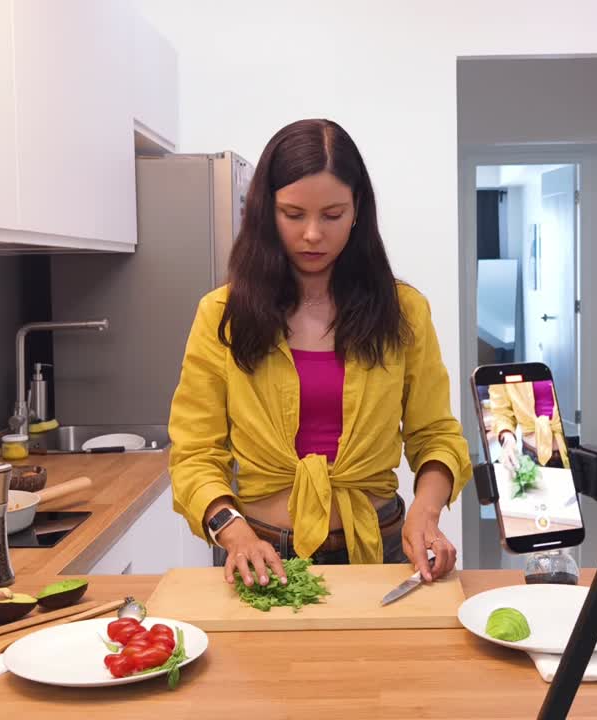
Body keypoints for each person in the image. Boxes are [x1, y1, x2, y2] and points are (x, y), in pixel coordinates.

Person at [168, 118, 472, 589]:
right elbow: (194, 454)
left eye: (332, 215)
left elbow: (436, 437)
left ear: (358, 212)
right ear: (266, 211)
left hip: (381, 545)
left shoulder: (404, 311)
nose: (312, 234)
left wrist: (427, 513)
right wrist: (235, 535)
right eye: (293, 214)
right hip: (259, 552)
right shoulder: (221, 314)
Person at [488, 380, 568, 471]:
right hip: (532, 456)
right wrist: (508, 439)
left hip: (572, 450)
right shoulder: (508, 368)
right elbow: (501, 412)